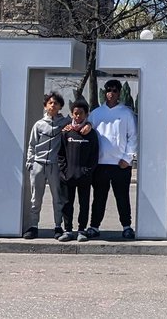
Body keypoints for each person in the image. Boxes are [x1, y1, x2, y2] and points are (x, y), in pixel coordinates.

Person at [89, 79, 138, 239]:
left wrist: (128, 158)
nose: (111, 93)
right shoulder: (96, 113)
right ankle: (94, 226)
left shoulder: (126, 113)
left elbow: (133, 137)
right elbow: (88, 135)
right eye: (108, 90)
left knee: (122, 197)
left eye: (115, 90)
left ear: (119, 93)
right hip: (100, 164)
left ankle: (126, 226)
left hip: (120, 165)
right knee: (99, 198)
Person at [23, 92, 66, 240]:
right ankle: (33, 226)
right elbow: (32, 144)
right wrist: (30, 161)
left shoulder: (64, 122)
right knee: (36, 198)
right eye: (50, 103)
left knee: (57, 197)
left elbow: (79, 121)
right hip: (39, 164)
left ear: (60, 106)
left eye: (56, 103)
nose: (53, 105)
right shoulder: (39, 124)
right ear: (45, 105)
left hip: (54, 165)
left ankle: (58, 226)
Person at [58, 98, 99, 242]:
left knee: (84, 204)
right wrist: (63, 171)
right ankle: (68, 230)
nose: (77, 116)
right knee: (67, 204)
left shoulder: (91, 133)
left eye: (81, 113)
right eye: (75, 113)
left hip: (84, 177)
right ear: (72, 114)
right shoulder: (66, 132)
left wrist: (87, 171)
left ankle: (82, 230)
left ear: (86, 114)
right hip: (68, 176)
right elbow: (60, 154)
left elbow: (94, 156)